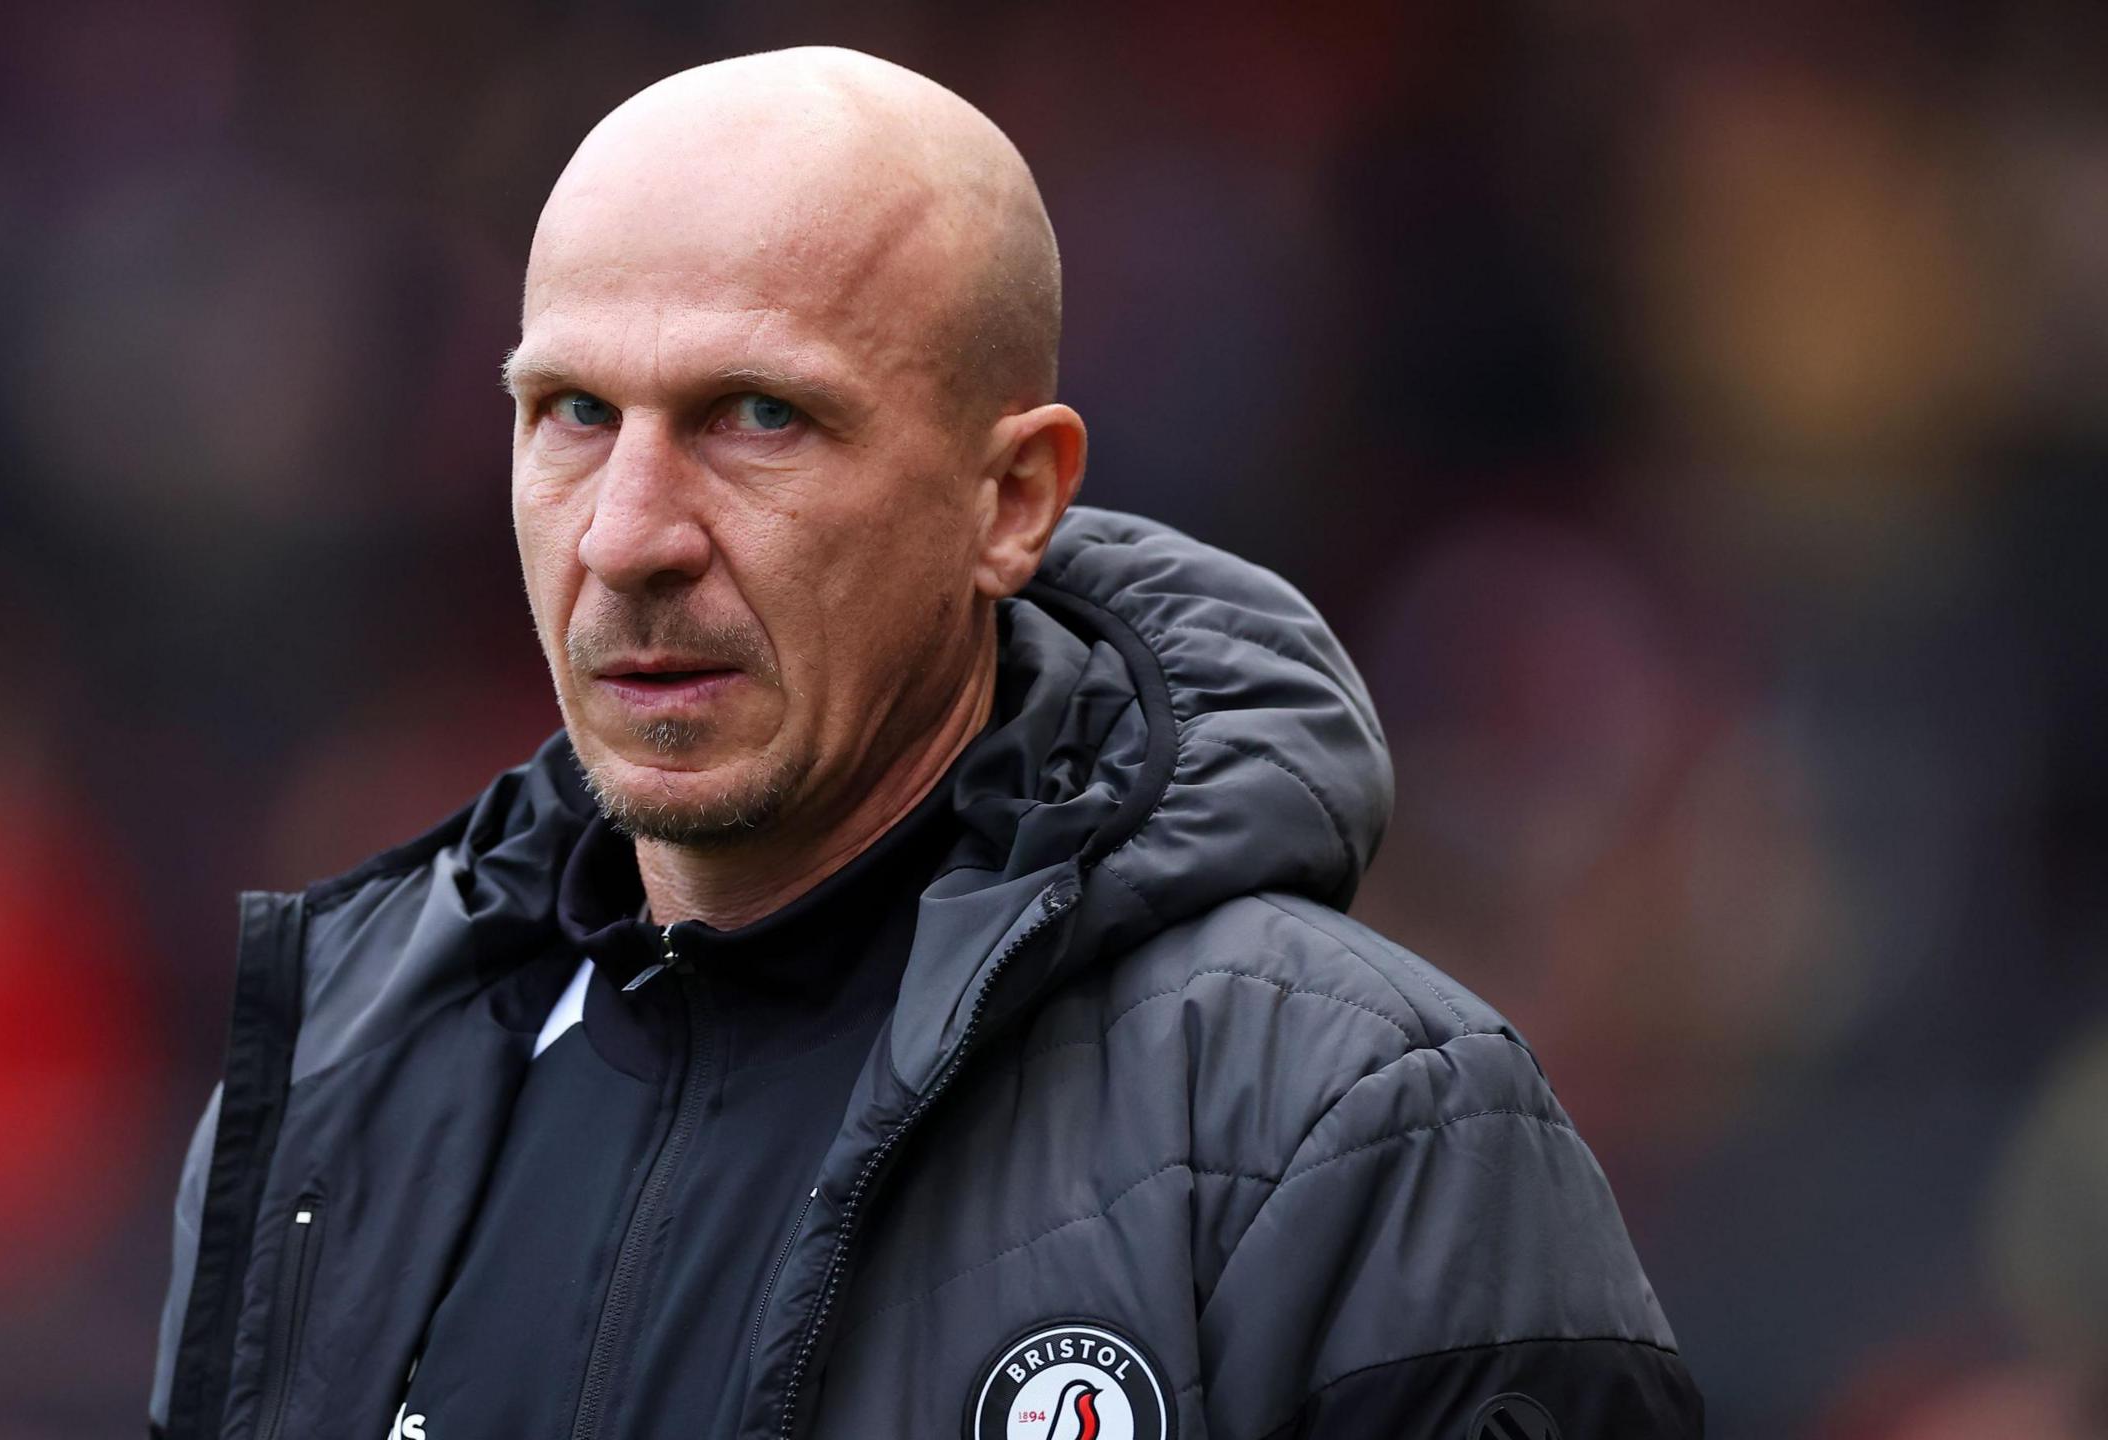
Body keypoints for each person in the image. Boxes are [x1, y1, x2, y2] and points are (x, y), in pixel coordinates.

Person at [149, 46, 1700, 1440]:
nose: (625, 536)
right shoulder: (331, 1114)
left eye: (757, 414)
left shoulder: (1353, 1124)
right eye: (571, 412)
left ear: (1010, 500)